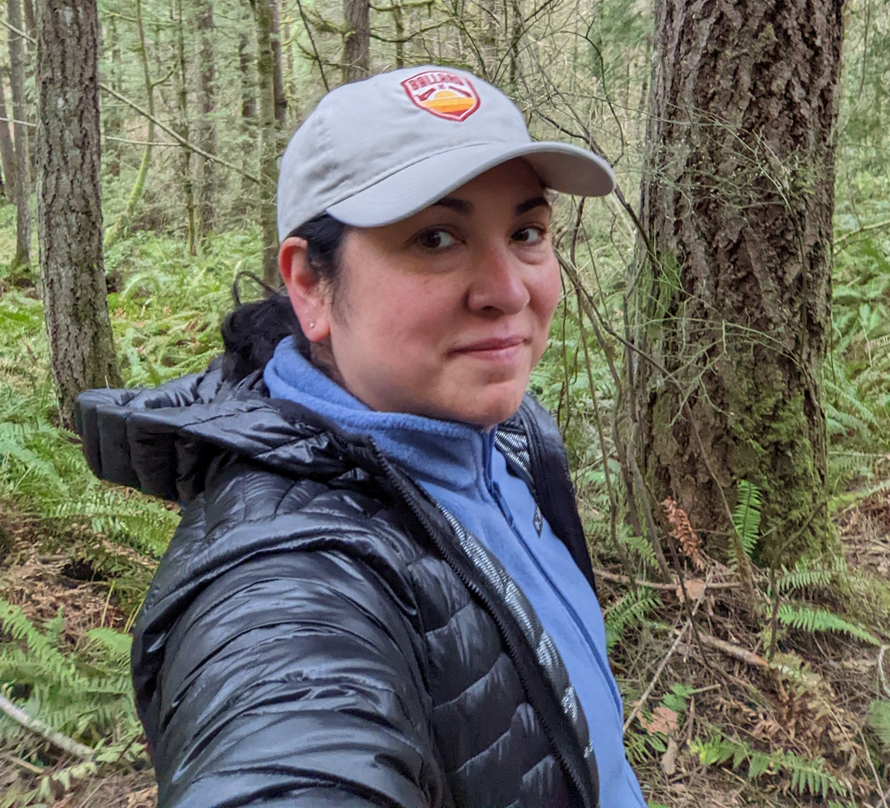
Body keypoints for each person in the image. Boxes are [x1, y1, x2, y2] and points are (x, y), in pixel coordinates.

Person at [77, 67, 646, 808]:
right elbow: (290, 726)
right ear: (311, 285)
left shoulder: (503, 435)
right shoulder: (286, 575)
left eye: (526, 232)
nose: (508, 290)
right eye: (437, 238)